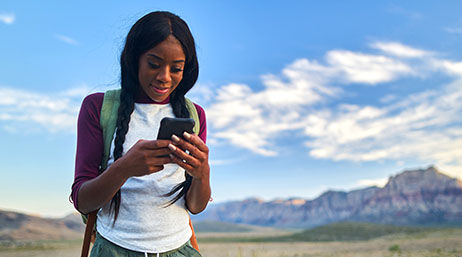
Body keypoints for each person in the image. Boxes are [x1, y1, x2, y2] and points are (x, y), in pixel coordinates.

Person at [71, 11, 210, 257]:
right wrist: (124, 168)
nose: (164, 77)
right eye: (154, 64)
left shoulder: (194, 114)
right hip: (115, 250)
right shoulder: (99, 108)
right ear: (134, 59)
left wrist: (202, 174)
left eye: (176, 68)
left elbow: (195, 206)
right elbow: (83, 201)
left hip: (178, 249)